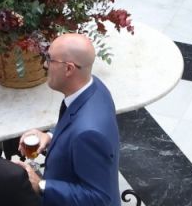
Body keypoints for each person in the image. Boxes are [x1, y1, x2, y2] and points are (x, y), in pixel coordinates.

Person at [15, 34, 118, 205]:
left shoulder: (88, 133)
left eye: (50, 59)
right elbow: (75, 121)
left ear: (69, 69)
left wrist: (41, 184)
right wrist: (49, 136)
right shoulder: (95, 87)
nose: (45, 64)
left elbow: (99, 199)